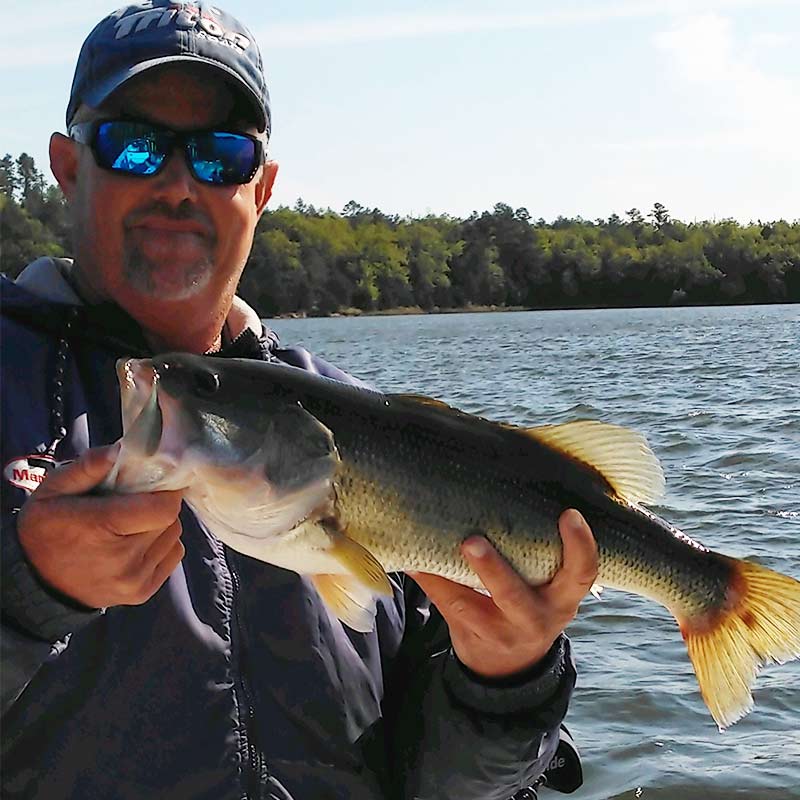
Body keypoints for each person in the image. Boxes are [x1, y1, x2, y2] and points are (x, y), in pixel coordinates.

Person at [0, 2, 598, 798]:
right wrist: (24, 592)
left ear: (263, 188)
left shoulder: (363, 426)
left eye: (220, 155)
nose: (178, 184)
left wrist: (506, 682)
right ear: (69, 167)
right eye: (133, 144)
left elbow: (447, 785)